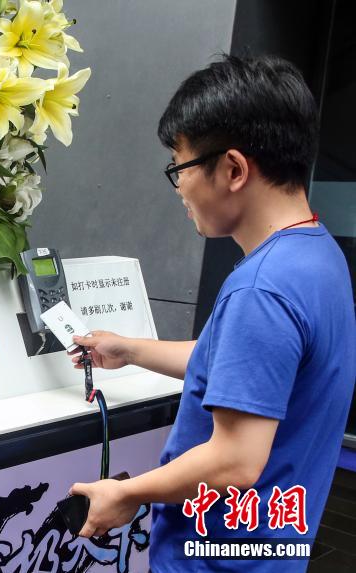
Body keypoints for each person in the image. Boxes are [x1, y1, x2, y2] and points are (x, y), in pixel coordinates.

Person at [67, 55, 356, 572]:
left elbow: (235, 459)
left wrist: (130, 493)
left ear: (233, 169)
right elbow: (245, 368)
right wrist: (129, 349)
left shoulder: (261, 290)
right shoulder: (318, 255)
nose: (179, 188)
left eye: (180, 168)